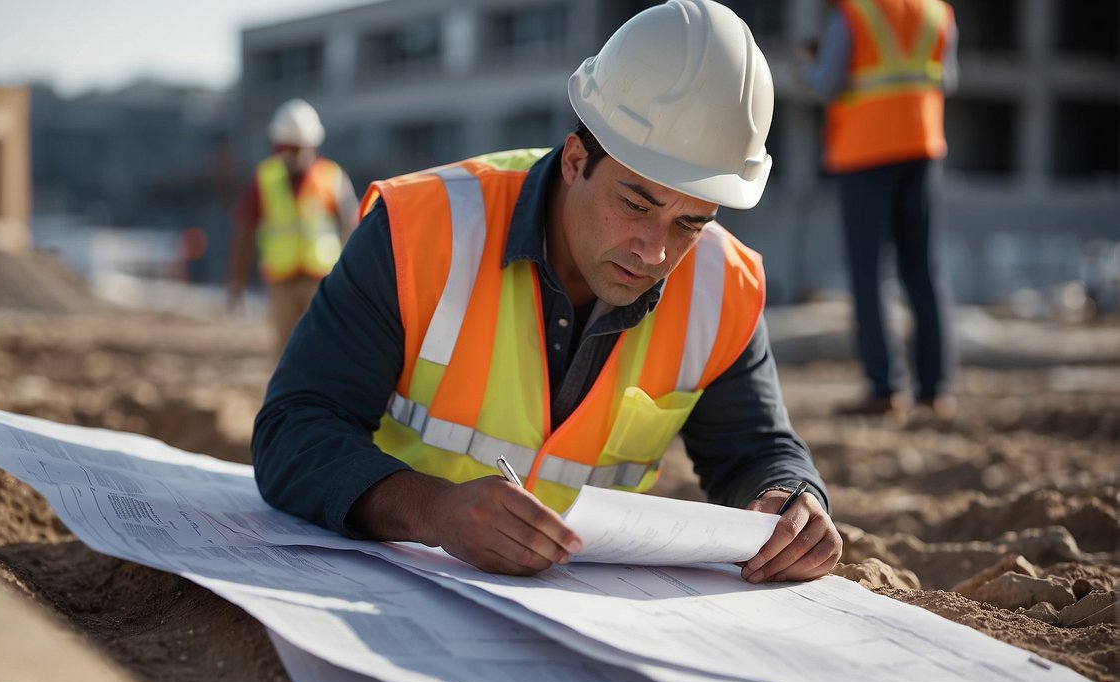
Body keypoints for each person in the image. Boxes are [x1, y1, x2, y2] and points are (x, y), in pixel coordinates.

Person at [253, 0, 843, 582]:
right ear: (574, 158)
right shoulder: (422, 228)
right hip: (399, 577)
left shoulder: (724, 287)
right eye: (636, 203)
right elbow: (294, 428)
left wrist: (790, 499)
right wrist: (433, 510)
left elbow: (757, 450)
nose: (655, 251)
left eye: (692, 222)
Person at [800, 0, 959, 418]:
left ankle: (884, 388)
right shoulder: (936, 12)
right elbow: (949, 80)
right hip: (922, 146)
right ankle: (935, 390)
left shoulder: (854, 13)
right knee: (923, 268)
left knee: (869, 273)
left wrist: (810, 66)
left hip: (865, 151)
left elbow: (826, 85)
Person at [226, 98, 359, 357]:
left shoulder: (331, 177)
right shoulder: (265, 178)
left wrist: (352, 280)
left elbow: (351, 228)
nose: (295, 155)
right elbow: (244, 231)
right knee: (287, 353)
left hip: (322, 280)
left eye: (299, 148)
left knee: (324, 350)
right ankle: (288, 399)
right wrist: (237, 280)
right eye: (289, 147)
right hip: (281, 279)